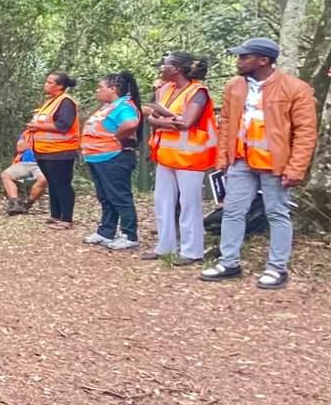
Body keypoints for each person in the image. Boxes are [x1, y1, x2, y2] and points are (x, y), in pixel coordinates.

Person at [201, 38, 317, 289]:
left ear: (263, 60)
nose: (239, 61)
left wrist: (296, 168)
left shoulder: (295, 88)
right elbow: (226, 123)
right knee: (232, 212)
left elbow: (306, 132)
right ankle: (229, 263)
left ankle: (277, 269)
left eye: (245, 57)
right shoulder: (234, 86)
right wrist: (222, 157)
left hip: (275, 164)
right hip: (241, 161)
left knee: (277, 213)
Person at [142, 51, 217, 266]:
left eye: (164, 66)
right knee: (162, 201)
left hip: (190, 156)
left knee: (189, 203)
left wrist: (162, 120)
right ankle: (165, 246)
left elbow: (187, 123)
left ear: (176, 69)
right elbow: (152, 117)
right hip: (166, 154)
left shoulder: (198, 91)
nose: (161, 70)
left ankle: (192, 251)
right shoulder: (165, 89)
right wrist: (164, 121)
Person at [80, 72, 143, 251]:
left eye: (100, 87)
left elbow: (131, 123)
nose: (97, 90)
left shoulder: (123, 106)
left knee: (120, 197)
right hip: (98, 158)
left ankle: (129, 235)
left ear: (113, 89)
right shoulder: (108, 107)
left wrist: (117, 136)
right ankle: (106, 232)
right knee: (106, 197)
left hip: (114, 158)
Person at [27, 72, 80, 229]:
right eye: (46, 81)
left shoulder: (66, 102)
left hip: (61, 151)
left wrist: (38, 126)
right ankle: (55, 215)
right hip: (44, 150)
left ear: (60, 86)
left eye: (50, 82)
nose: (46, 84)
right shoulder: (50, 102)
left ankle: (66, 219)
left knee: (62, 184)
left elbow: (64, 125)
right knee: (52, 183)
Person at [1, 131, 46, 214]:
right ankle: (15, 203)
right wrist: (37, 144)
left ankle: (27, 205)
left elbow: (49, 147)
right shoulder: (26, 133)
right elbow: (19, 147)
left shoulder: (47, 132)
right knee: (6, 174)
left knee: (43, 179)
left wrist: (29, 144)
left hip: (41, 163)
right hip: (23, 163)